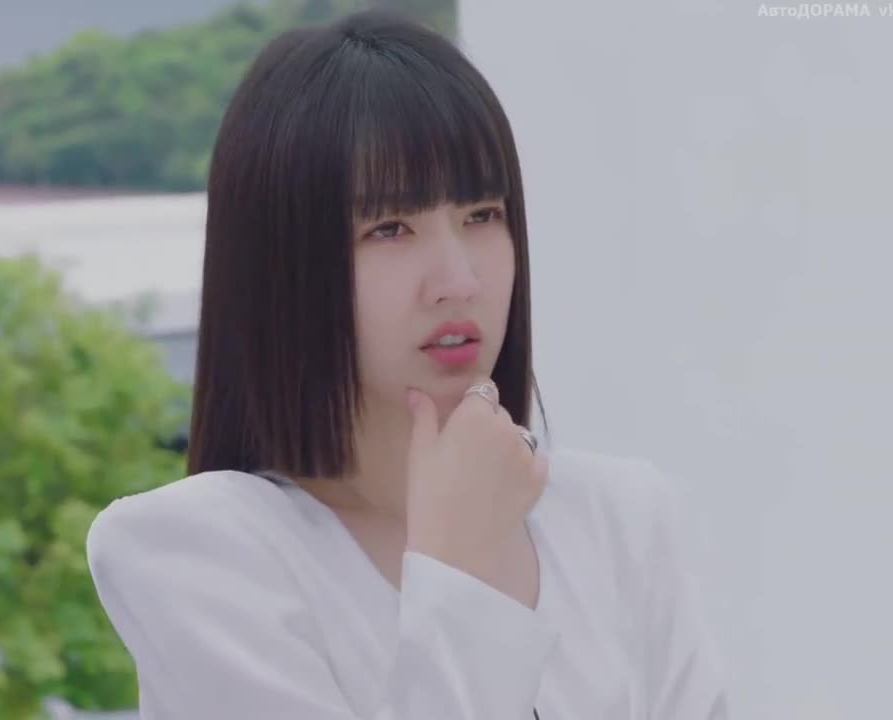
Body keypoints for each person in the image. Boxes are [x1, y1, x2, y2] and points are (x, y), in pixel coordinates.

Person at [86, 9, 729, 719]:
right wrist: (461, 566)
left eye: (482, 215)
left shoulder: (621, 519)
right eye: (389, 228)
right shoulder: (201, 556)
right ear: (283, 265)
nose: (459, 280)